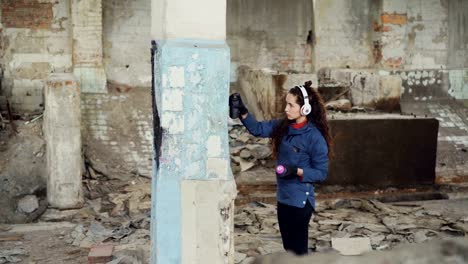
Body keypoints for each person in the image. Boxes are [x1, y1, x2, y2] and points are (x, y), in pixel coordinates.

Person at [229, 81, 332, 255]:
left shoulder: (315, 138)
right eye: (286, 104)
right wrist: (243, 112)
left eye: (291, 105)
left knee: (298, 253)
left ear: (305, 108)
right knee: (288, 250)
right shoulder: (284, 126)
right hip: (284, 198)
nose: (286, 108)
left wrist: (297, 171)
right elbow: (258, 129)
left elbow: (321, 173)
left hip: (300, 202)